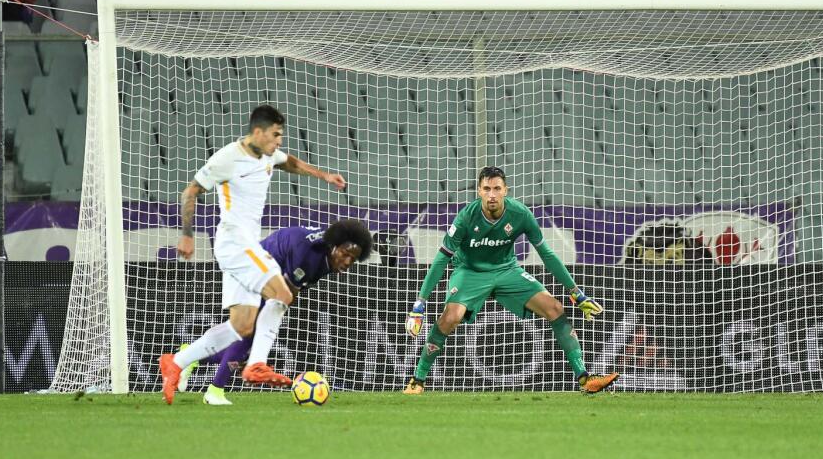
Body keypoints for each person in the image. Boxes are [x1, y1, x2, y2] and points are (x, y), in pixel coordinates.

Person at [159, 104, 347, 404]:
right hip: (235, 241)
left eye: (280, 135)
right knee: (283, 295)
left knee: (242, 326)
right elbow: (191, 191)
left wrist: (323, 176)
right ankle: (256, 364)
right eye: (275, 135)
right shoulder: (226, 158)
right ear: (257, 132)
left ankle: (177, 362)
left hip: (247, 244)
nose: (279, 141)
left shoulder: (269, 153)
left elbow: (290, 162)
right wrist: (186, 235)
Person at [403, 165, 618, 395]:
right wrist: (420, 303)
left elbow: (547, 254)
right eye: (486, 189)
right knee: (451, 318)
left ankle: (584, 379)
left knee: (554, 307)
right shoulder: (466, 218)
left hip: (507, 270)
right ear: (479, 191)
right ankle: (417, 380)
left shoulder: (520, 214)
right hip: (470, 271)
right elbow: (440, 260)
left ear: (506, 190)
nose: (492, 194)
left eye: (497, 188)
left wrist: (576, 292)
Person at [178, 221, 373, 405]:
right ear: (334, 246)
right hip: (256, 270)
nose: (348, 261)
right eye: (345, 254)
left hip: (266, 269)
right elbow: (286, 294)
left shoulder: (328, 255)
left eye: (353, 258)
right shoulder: (310, 257)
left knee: (245, 341)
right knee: (248, 334)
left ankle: (189, 357)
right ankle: (214, 391)